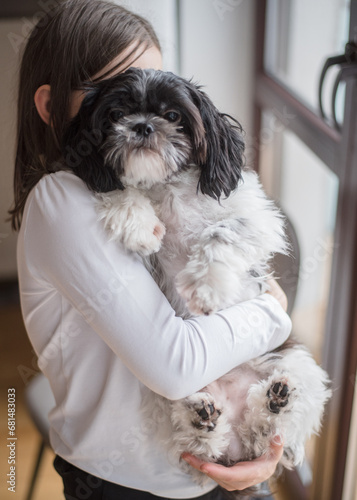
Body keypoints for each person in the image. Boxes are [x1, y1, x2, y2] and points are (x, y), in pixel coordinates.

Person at [10, 1, 291, 499]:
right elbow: (175, 364)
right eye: (113, 98)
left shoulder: (168, 190)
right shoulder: (63, 200)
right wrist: (274, 312)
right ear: (52, 106)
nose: (138, 113)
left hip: (227, 461)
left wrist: (268, 445)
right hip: (127, 483)